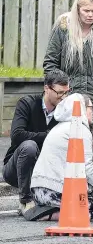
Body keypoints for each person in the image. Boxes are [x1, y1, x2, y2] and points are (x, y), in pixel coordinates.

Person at [30, 93, 93, 220]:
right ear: (81, 108)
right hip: (52, 191)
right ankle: (52, 215)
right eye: (90, 108)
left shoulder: (60, 126)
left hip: (38, 190)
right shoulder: (79, 130)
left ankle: (47, 210)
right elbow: (87, 169)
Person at [43, 0, 93, 127]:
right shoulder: (63, 27)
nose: (90, 15)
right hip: (65, 98)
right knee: (67, 141)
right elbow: (50, 62)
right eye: (86, 10)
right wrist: (59, 90)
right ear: (77, 9)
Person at [2, 70, 70, 216]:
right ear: (47, 88)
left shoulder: (65, 112)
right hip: (15, 169)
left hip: (46, 170)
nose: (63, 97)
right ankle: (26, 200)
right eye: (59, 93)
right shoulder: (27, 103)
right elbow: (17, 135)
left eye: (66, 92)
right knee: (29, 146)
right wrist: (49, 136)